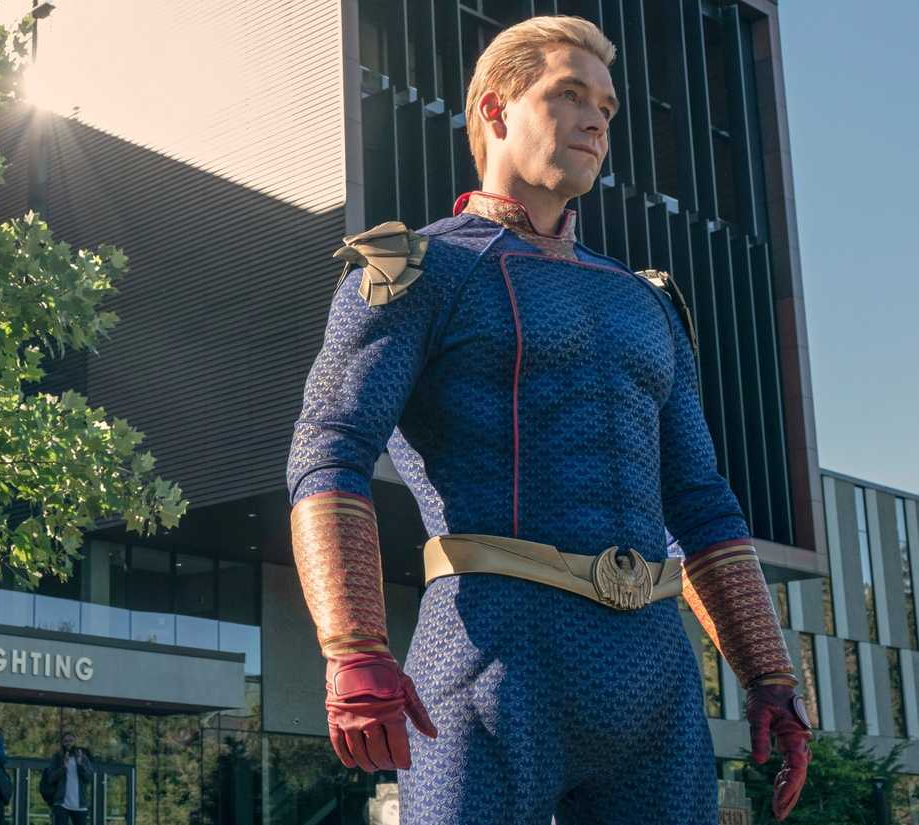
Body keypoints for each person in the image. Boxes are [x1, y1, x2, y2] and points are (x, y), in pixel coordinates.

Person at [286, 14, 810, 825]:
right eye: (567, 95)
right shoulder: (419, 269)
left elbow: (701, 500)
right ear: (495, 111)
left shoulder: (646, 302)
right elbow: (329, 451)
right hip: (493, 665)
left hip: (654, 683)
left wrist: (768, 676)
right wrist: (353, 649)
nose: (596, 118)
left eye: (605, 103)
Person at [40, 730, 94, 825]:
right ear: (62, 743)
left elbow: (89, 778)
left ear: (75, 742)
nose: (68, 743)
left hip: (80, 805)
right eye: (65, 741)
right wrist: (63, 767)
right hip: (61, 803)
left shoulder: (83, 758)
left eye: (71, 740)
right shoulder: (57, 757)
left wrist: (80, 764)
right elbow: (50, 778)